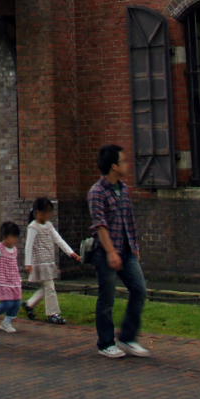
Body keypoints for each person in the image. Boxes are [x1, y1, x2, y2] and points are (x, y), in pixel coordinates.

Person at [88, 144, 149, 359]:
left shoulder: (123, 189)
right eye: (123, 161)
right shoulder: (96, 192)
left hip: (127, 250)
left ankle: (127, 337)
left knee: (140, 290)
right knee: (107, 298)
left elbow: (129, 220)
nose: (127, 164)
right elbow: (100, 225)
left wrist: (135, 247)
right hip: (106, 252)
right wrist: (111, 252)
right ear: (113, 166)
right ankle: (105, 342)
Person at [24, 197, 80, 324]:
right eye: (47, 212)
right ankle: (53, 313)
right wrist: (28, 263)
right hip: (40, 262)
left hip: (49, 261)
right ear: (39, 213)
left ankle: (29, 304)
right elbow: (28, 246)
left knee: (46, 287)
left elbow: (58, 239)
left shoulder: (49, 226)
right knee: (50, 287)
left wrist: (70, 252)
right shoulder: (33, 227)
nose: (49, 215)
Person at [0, 222, 24, 333]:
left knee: (16, 302)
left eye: (16, 237)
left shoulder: (15, 250)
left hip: (14, 281)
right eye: (12, 237)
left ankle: (6, 322)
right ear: (4, 236)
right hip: (3, 281)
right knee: (7, 303)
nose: (14, 240)